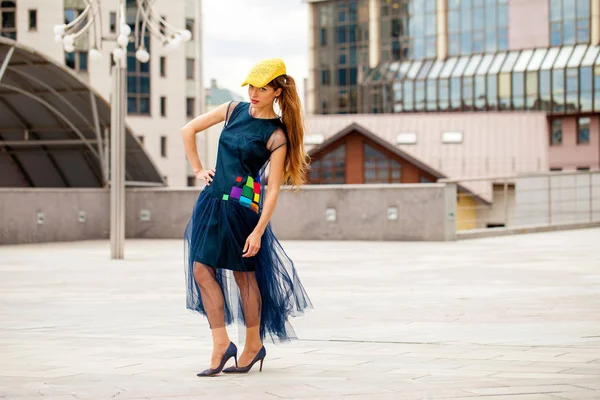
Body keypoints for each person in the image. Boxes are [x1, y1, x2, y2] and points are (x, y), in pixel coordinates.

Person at [181, 58, 312, 377]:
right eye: (251, 86)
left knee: (244, 276)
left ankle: (253, 346)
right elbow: (189, 129)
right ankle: (221, 344)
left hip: (243, 208)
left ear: (277, 91)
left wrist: (258, 231)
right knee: (201, 269)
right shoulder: (232, 110)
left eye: (262, 88)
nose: (254, 92)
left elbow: (273, 190)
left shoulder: (276, 135)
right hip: (211, 201)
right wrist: (198, 169)